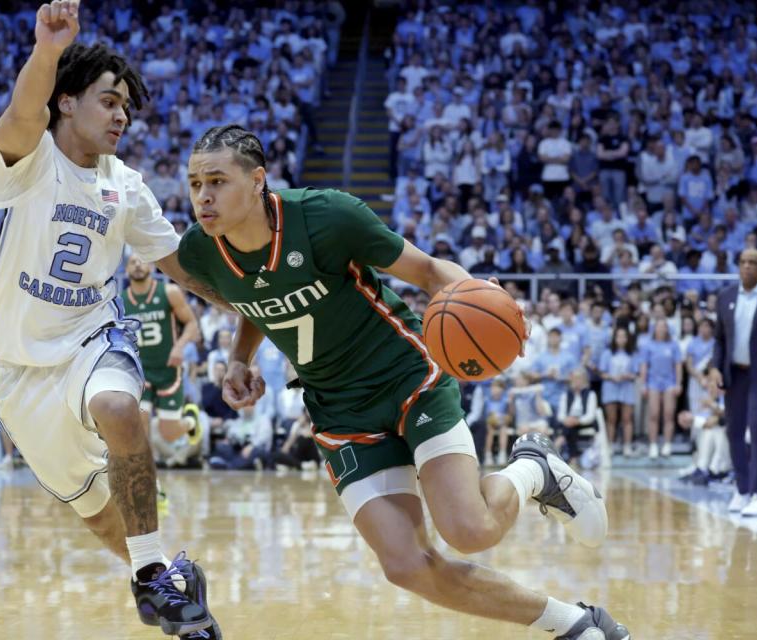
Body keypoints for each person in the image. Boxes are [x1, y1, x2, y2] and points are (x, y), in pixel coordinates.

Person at [177, 123, 629, 639]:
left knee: (470, 530)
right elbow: (253, 298)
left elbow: (432, 272)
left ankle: (534, 470)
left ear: (258, 181)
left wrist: (489, 300)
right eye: (194, 184)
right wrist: (239, 358)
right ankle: (575, 624)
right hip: (336, 410)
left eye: (217, 181)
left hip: (407, 377)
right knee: (406, 565)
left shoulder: (326, 216)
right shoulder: (200, 250)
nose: (203, 196)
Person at [0, 2, 217, 636]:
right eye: (109, 101)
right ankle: (167, 575)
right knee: (92, 511)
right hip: (17, 371)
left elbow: (181, 267)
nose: (121, 115)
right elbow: (22, 111)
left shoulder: (127, 186)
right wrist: (47, 51)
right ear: (65, 103)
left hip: (91, 337)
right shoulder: (25, 161)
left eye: (126, 107)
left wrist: (260, 308)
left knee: (119, 409)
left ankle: (148, 578)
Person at [709, 248, 757, 517]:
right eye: (743, 262)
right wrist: (714, 369)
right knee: (733, 431)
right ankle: (742, 490)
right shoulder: (726, 296)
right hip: (735, 375)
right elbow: (719, 339)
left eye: (753, 263)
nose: (747, 267)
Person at [122, 254, 203, 467]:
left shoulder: (169, 292)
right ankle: (150, 480)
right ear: (126, 270)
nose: (138, 265)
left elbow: (192, 324)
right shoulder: (120, 301)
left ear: (152, 266)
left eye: (142, 261)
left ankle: (190, 420)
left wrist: (179, 347)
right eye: (132, 262)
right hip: (140, 373)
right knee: (140, 428)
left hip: (168, 369)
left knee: (169, 433)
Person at [640, 318, 683, 459]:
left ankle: (667, 445)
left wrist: (678, 383)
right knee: (654, 414)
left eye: (663, 326)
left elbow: (677, 365)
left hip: (669, 383)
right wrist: (643, 384)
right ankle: (653, 445)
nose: (661, 329)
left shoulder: (673, 345)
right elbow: (644, 366)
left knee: (668, 414)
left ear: (667, 329)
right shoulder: (648, 345)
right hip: (653, 382)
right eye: (658, 326)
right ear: (654, 329)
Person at [599, 328, 639, 457]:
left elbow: (635, 373)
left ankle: (627, 446)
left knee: (627, 419)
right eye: (618, 336)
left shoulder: (632, 354)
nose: (621, 339)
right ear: (614, 338)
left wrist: (628, 376)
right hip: (611, 387)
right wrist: (612, 377)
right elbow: (602, 373)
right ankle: (610, 445)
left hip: (626, 387)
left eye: (624, 336)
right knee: (611, 419)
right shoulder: (607, 353)